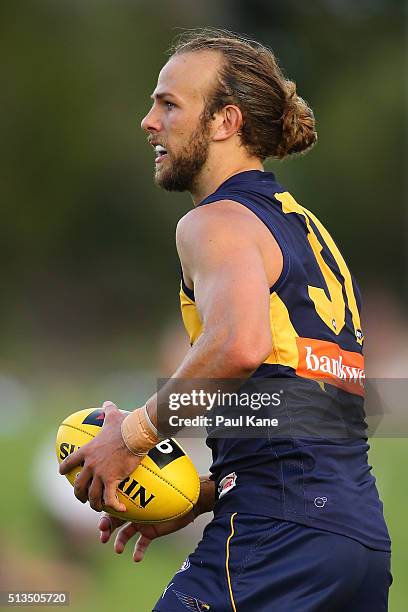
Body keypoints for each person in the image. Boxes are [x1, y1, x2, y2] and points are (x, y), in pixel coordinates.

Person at [59, 29, 392, 611]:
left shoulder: (217, 222)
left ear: (224, 122)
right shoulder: (307, 231)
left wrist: (130, 436)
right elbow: (316, 406)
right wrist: (211, 491)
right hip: (356, 542)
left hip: (276, 540)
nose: (148, 121)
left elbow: (238, 345)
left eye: (168, 104)